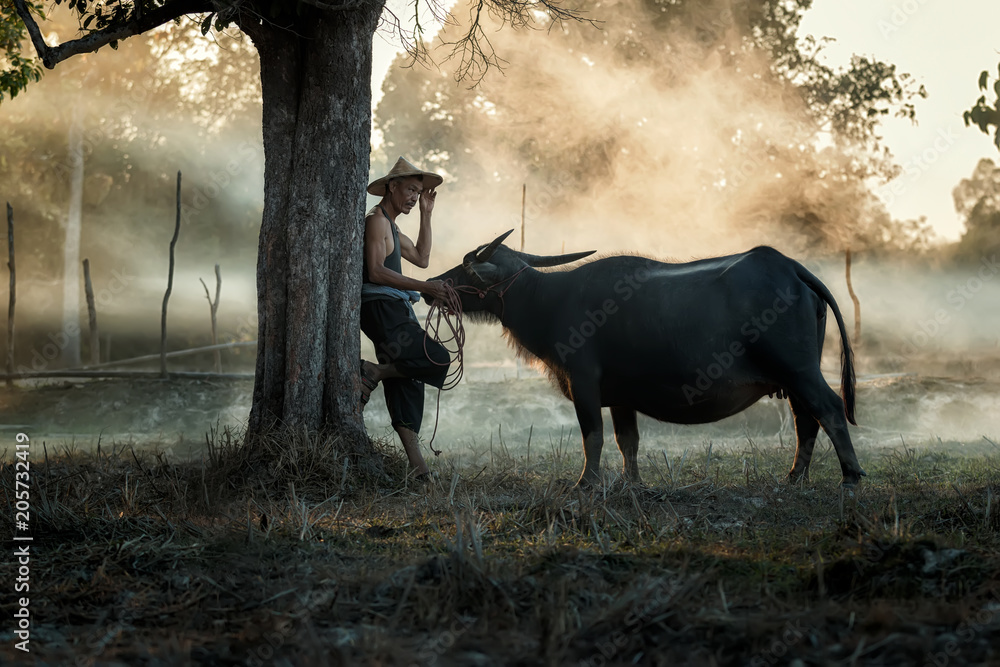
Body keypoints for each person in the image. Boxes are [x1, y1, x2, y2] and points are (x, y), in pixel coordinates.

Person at [360, 156, 451, 480]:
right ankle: (375, 371)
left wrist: (426, 214)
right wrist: (426, 289)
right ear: (392, 186)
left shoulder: (393, 226)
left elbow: (423, 258)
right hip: (382, 309)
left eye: (419, 191)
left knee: (408, 383)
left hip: (394, 309)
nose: (414, 197)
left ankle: (418, 471)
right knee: (436, 359)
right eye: (411, 190)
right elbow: (375, 271)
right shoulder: (376, 222)